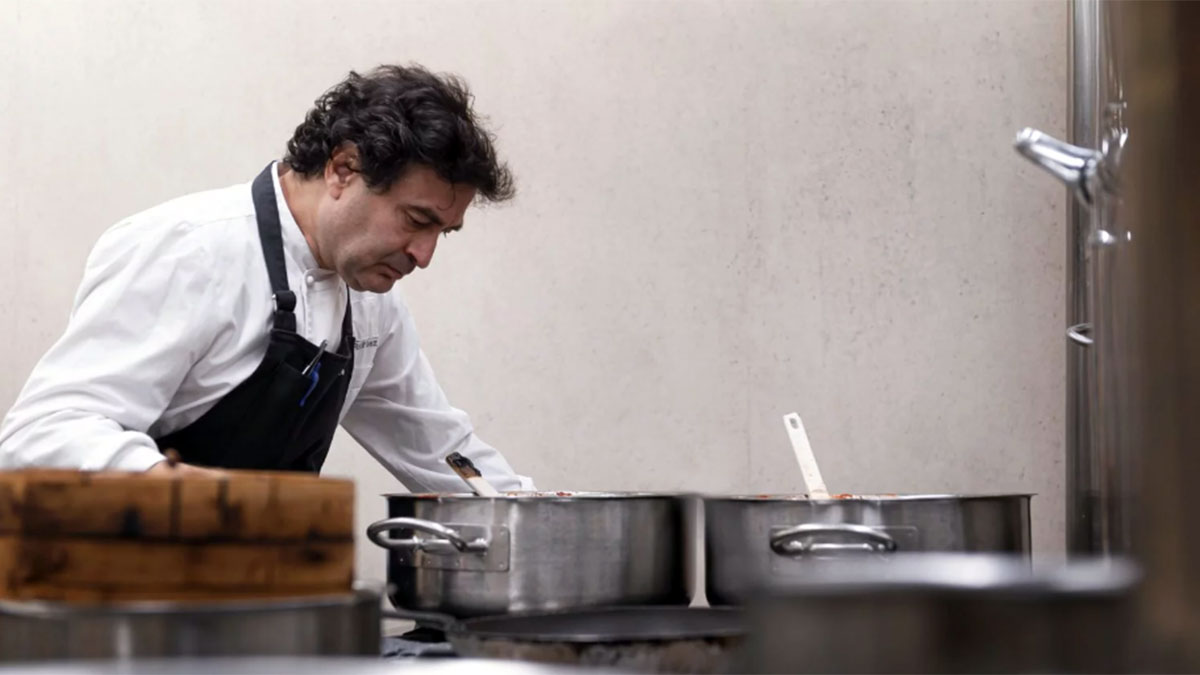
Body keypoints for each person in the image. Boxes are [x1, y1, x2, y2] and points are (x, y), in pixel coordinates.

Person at [0, 64, 532, 491]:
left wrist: (538, 519)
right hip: (130, 586)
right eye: (416, 220)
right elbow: (44, 435)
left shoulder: (371, 303)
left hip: (259, 584)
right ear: (343, 169)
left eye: (443, 232)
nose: (424, 255)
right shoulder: (191, 251)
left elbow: (439, 448)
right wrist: (202, 497)